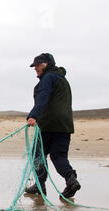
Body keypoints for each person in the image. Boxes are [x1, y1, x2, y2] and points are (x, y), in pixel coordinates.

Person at [25, 53, 81, 198]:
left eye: (38, 64)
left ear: (47, 64)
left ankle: (39, 185)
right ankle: (71, 180)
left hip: (49, 124)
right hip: (65, 124)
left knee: (37, 155)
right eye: (34, 65)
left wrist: (33, 115)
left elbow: (42, 97)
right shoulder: (62, 79)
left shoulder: (48, 77)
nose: (35, 68)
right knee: (58, 156)